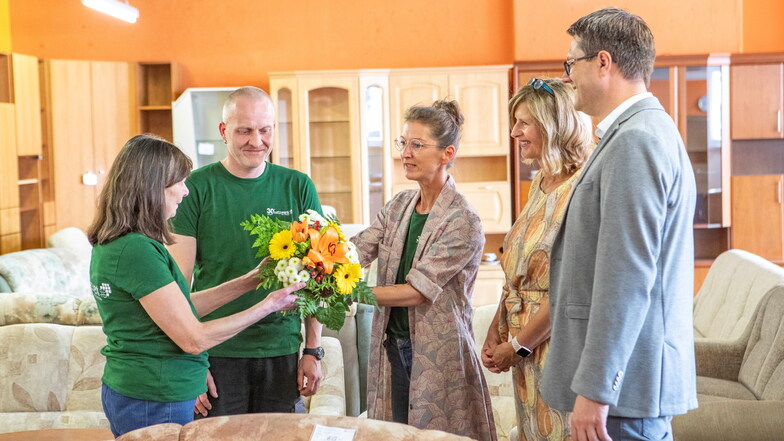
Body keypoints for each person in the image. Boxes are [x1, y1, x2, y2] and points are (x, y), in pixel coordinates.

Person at [540, 8, 699, 441]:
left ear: (603, 62)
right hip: (624, 390)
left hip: (623, 395)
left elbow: (626, 277)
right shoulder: (635, 132)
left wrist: (595, 390)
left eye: (571, 62)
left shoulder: (636, 140)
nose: (567, 74)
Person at [88, 134, 303, 438]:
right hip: (155, 396)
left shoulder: (125, 244)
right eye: (180, 182)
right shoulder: (135, 251)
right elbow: (194, 338)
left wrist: (250, 280)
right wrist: (270, 304)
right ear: (153, 186)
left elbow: (182, 309)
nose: (185, 192)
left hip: (149, 392)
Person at [168, 86, 324, 417]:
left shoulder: (297, 186)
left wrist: (312, 348)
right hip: (216, 349)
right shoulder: (194, 188)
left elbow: (318, 275)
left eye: (265, 130)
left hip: (280, 349)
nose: (257, 141)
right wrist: (191, 361)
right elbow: (178, 290)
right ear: (224, 131)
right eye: (245, 130)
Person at [351, 100, 496, 441]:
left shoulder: (462, 219)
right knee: (395, 435)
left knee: (437, 436)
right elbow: (355, 251)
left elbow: (416, 291)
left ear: (447, 154)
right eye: (404, 143)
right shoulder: (399, 205)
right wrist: (312, 261)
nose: (406, 153)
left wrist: (349, 292)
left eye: (417, 145)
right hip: (391, 345)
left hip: (438, 353)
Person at [481, 78, 593, 441]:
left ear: (553, 125)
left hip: (557, 348)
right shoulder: (539, 182)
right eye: (515, 122)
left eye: (524, 122)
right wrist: (496, 327)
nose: (515, 132)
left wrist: (518, 345)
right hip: (526, 353)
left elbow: (569, 288)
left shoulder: (581, 188)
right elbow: (518, 270)